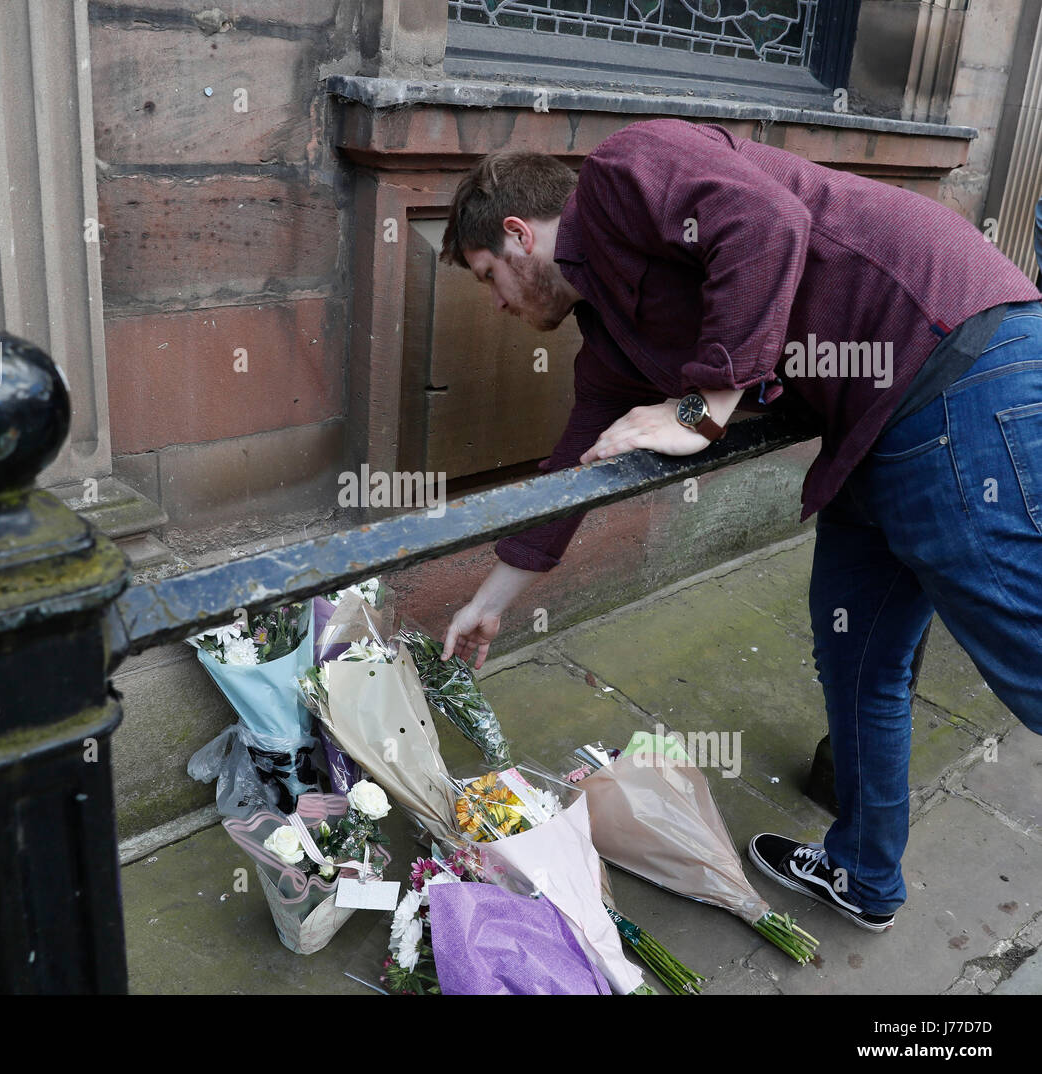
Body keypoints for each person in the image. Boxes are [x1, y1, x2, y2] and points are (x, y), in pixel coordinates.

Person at [437, 118, 1042, 933]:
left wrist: (703, 403)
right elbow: (571, 469)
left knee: (1026, 653)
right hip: (871, 429)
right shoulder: (610, 336)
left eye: (486, 278)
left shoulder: (621, 171)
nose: (499, 305)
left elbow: (766, 224)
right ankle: (863, 873)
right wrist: (492, 599)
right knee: (858, 658)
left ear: (517, 236)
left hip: (951, 360)